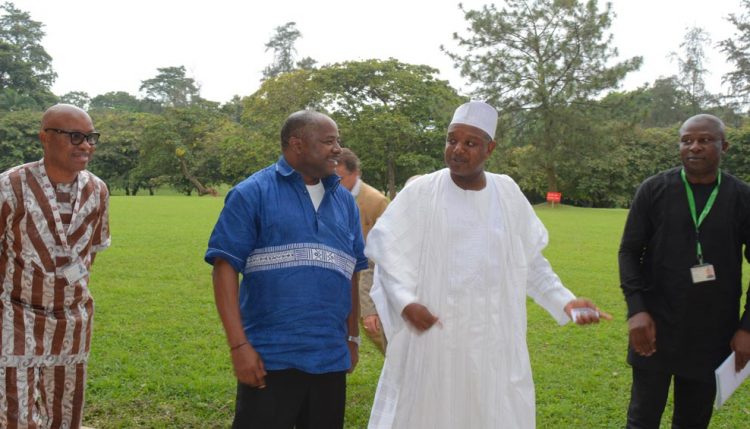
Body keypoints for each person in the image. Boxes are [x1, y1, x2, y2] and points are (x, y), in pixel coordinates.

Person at [365, 101, 609, 429]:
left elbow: (531, 263)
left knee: (493, 412)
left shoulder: (507, 193)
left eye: (470, 143)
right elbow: (389, 255)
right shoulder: (422, 192)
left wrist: (565, 300)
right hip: (435, 338)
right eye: (452, 140)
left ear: (489, 148)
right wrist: (406, 303)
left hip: (493, 341)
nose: (457, 150)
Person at [205, 110, 368, 428]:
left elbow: (351, 271)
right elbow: (224, 267)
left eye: (338, 141)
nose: (338, 149)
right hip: (270, 358)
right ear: (297, 145)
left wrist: (352, 337)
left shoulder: (345, 202)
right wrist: (239, 346)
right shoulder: (252, 193)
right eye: (328, 141)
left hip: (330, 358)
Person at [619, 113, 750, 428]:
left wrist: (747, 326)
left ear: (724, 146)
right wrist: (636, 310)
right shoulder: (653, 190)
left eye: (704, 140)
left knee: (692, 421)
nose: (694, 147)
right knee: (641, 418)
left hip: (713, 332)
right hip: (653, 327)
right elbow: (629, 251)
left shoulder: (742, 197)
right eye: (686, 140)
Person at [0, 104, 110, 428]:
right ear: (45, 138)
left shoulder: (98, 190)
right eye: (76, 137)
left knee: (66, 413)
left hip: (72, 320)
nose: (86, 145)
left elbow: (94, 249)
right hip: (16, 317)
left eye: (91, 137)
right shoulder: (10, 186)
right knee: (15, 415)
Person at [335, 148, 389, 354]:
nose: (335, 182)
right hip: (340, 275)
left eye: (340, 178)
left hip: (367, 276)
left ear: (355, 173)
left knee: (376, 329)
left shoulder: (376, 201)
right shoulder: (330, 197)